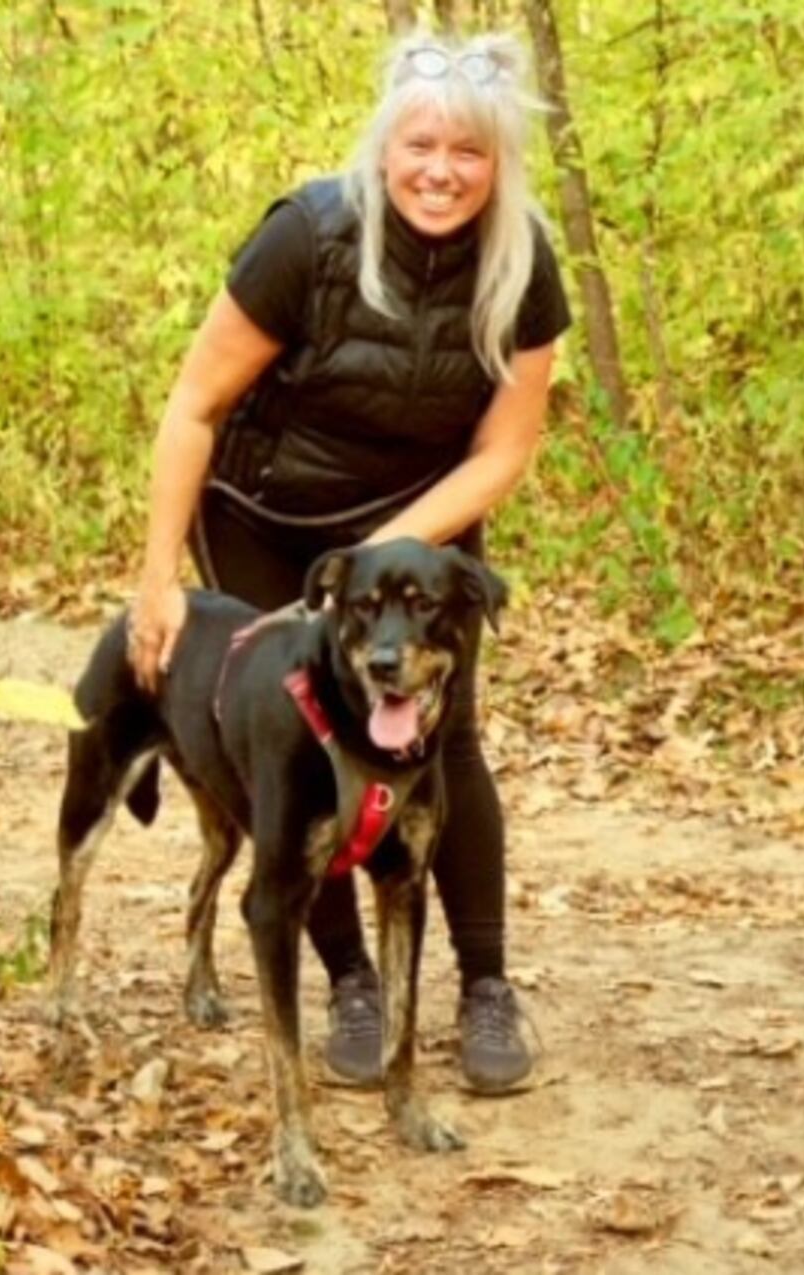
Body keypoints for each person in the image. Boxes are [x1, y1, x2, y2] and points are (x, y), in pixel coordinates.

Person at [125, 30, 571, 1093]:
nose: (441, 170)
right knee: (295, 748)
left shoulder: (522, 262)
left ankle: (484, 989)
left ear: (498, 165)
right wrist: (154, 580)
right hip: (266, 513)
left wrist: (387, 556)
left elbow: (505, 450)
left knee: (440, 739)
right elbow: (193, 406)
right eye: (421, 144)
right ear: (385, 148)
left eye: (468, 153)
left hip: (421, 522)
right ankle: (351, 982)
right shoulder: (307, 238)